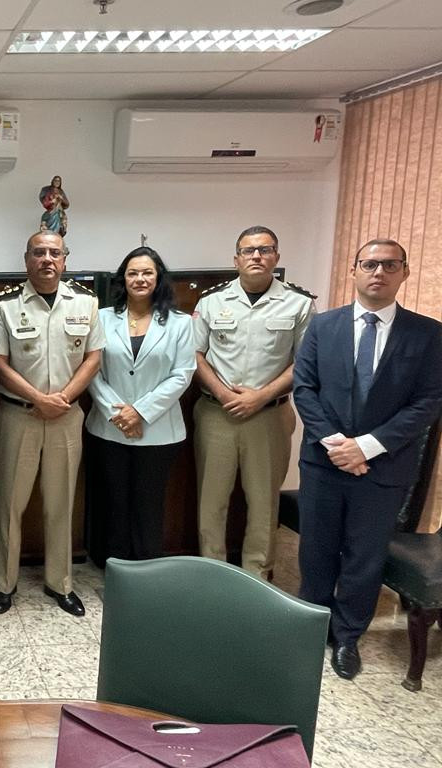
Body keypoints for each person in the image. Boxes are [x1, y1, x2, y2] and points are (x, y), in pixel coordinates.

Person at [293, 238, 442, 680]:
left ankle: (347, 636)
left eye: (389, 265)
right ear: (354, 271)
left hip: (383, 467)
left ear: (404, 273)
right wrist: (340, 445)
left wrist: (368, 446)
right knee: (316, 550)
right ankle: (312, 627)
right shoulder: (323, 326)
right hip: (324, 462)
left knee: (364, 556)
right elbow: (305, 389)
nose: (378, 272)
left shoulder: (428, 333)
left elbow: (428, 401)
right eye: (370, 264)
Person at [0, 230, 102, 616]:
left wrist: (63, 399)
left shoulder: (86, 302)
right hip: (19, 416)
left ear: (65, 259)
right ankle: (5, 584)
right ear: (27, 259)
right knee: (10, 504)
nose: (47, 259)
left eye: (55, 253)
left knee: (61, 503)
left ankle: (60, 583)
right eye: (39, 253)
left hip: (66, 418)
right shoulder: (4, 304)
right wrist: (39, 399)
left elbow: (93, 357)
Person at [192, 225, 315, 579]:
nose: (257, 256)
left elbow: (304, 363)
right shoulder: (211, 301)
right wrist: (224, 393)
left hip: (269, 416)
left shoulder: (299, 303)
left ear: (277, 256)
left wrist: (261, 396)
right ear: (236, 260)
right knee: (210, 500)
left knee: (264, 502)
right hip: (218, 413)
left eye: (265, 249)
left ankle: (257, 576)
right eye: (249, 251)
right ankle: (212, 573)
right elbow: (195, 355)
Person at [86, 246, 195, 561]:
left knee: (149, 503)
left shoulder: (180, 323)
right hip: (109, 429)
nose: (140, 279)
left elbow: (182, 374)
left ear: (158, 277)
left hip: (159, 431)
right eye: (133, 273)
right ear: (124, 279)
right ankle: (115, 566)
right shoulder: (102, 318)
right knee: (113, 502)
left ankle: (146, 568)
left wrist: (141, 413)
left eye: (147, 272)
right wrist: (118, 413)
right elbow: (92, 371)